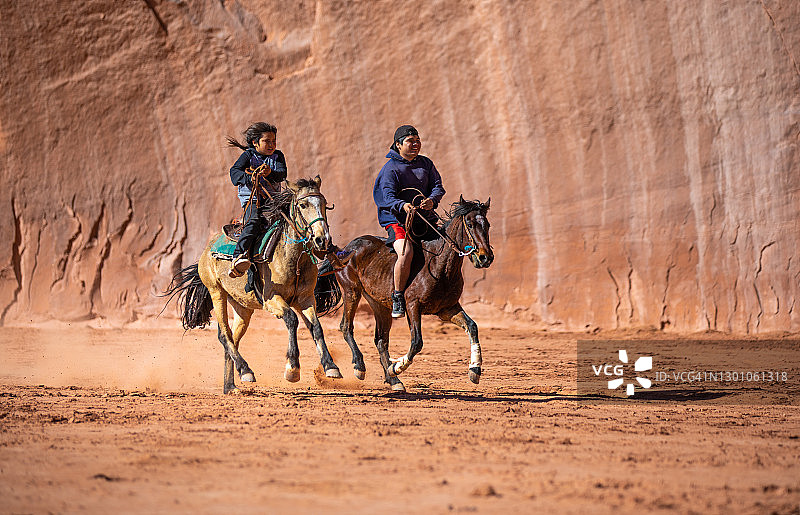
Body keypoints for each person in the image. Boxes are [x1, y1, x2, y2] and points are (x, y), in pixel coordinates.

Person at [373, 125, 445, 318]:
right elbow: (387, 197)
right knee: (406, 252)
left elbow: (438, 187)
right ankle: (397, 296)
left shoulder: (426, 164)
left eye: (417, 140)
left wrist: (432, 200)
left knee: (448, 244)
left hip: (424, 218)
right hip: (397, 221)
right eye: (410, 141)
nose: (415, 144)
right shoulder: (390, 169)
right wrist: (402, 205)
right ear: (398, 145)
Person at [226, 122, 287, 278]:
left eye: (274, 141)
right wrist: (250, 178)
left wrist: (269, 173)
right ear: (255, 142)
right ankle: (238, 256)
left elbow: (282, 174)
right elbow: (234, 173)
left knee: (300, 215)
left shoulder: (278, 156)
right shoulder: (248, 156)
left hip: (274, 200)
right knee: (253, 222)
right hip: (253, 201)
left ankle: (329, 250)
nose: (271, 145)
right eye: (267, 141)